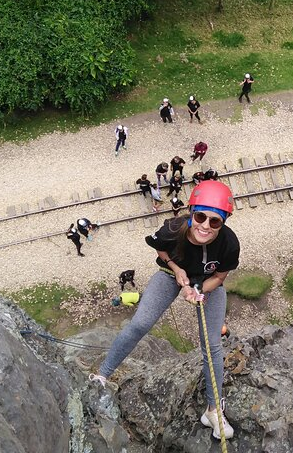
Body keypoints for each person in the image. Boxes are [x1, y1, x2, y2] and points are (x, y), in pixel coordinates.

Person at [90, 181, 239, 440]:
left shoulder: (229, 244)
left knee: (212, 344)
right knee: (139, 324)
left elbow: (222, 276)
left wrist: (200, 289)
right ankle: (102, 375)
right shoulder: (173, 229)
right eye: (200, 216)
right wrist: (176, 268)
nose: (205, 225)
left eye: (215, 222)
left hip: (208, 284)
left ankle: (214, 410)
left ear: (223, 222)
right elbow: (159, 247)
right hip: (170, 275)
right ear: (191, 212)